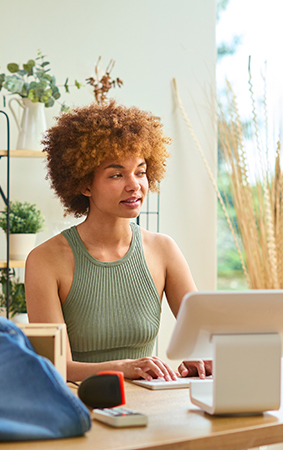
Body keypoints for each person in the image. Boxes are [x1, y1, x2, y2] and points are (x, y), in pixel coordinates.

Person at [25, 101, 210, 382]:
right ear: (84, 184)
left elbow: (203, 338)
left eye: (140, 171)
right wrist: (122, 369)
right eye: (116, 174)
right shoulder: (45, 260)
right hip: (79, 408)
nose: (134, 184)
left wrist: (201, 357)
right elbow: (54, 367)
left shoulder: (163, 250)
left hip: (151, 406)